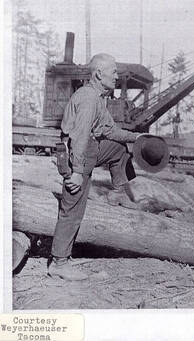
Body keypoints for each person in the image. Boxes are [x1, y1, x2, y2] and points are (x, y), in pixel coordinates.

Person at [48, 53, 142, 280]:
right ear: (99, 74)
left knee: (119, 149)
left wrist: (137, 137)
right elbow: (79, 136)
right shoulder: (89, 99)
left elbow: (110, 131)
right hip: (76, 154)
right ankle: (59, 263)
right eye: (114, 72)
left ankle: (118, 192)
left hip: (90, 149)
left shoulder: (98, 98)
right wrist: (78, 172)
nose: (117, 77)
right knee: (72, 210)